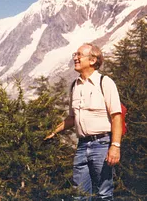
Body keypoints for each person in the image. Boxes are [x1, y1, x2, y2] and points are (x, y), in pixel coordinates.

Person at [44, 43, 123, 200]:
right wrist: (53, 131)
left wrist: (115, 146)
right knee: (79, 195)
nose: (75, 58)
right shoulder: (75, 85)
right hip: (82, 146)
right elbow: (72, 118)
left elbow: (117, 117)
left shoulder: (105, 82)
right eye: (75, 55)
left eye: (79, 55)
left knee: (104, 194)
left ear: (92, 60)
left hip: (102, 144)